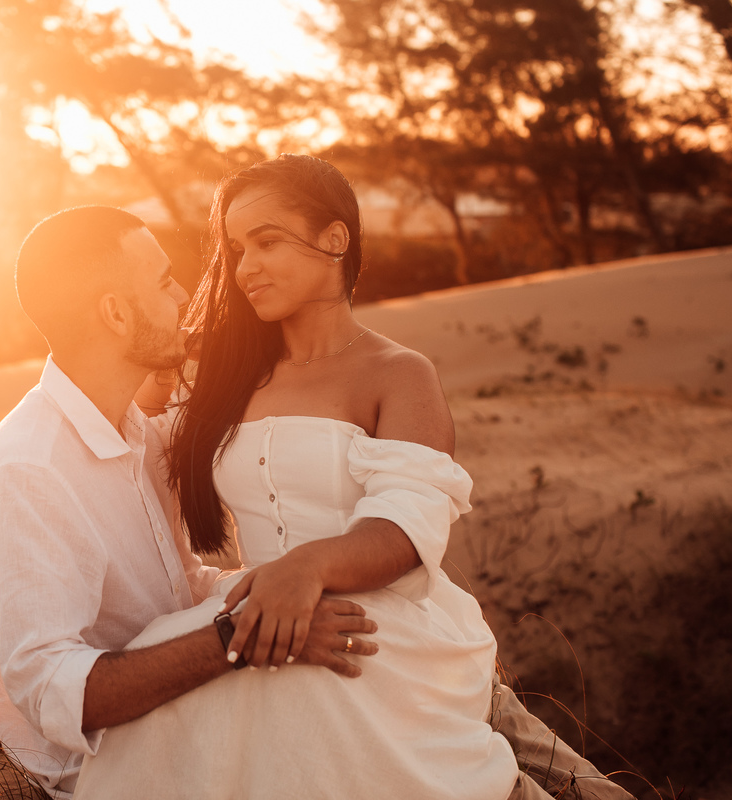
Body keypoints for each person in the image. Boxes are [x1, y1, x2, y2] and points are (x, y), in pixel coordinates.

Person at [72, 155, 635, 800]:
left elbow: (407, 525)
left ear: (336, 239)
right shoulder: (220, 379)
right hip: (289, 647)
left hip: (399, 642)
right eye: (234, 249)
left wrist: (303, 568)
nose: (244, 266)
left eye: (267, 241)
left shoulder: (399, 373)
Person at [0, 205, 380, 799]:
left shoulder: (133, 428)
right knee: (363, 700)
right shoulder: (33, 467)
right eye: (163, 282)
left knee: (380, 639)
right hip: (110, 763)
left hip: (180, 701)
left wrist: (276, 589)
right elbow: (52, 690)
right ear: (115, 313)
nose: (183, 293)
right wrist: (242, 637)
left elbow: (177, 586)